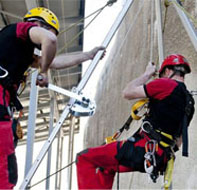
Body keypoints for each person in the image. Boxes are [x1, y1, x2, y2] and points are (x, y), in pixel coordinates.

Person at [0, 7, 105, 189]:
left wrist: (88, 55)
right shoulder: (21, 30)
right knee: (5, 173)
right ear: (37, 24)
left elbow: (53, 62)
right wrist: (43, 72)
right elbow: (50, 40)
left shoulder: (19, 47)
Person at [76, 54, 195, 189]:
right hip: (159, 158)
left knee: (84, 158)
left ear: (167, 71)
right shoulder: (190, 103)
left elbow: (127, 92)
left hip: (142, 149)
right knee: (107, 166)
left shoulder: (165, 84)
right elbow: (179, 141)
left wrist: (147, 74)